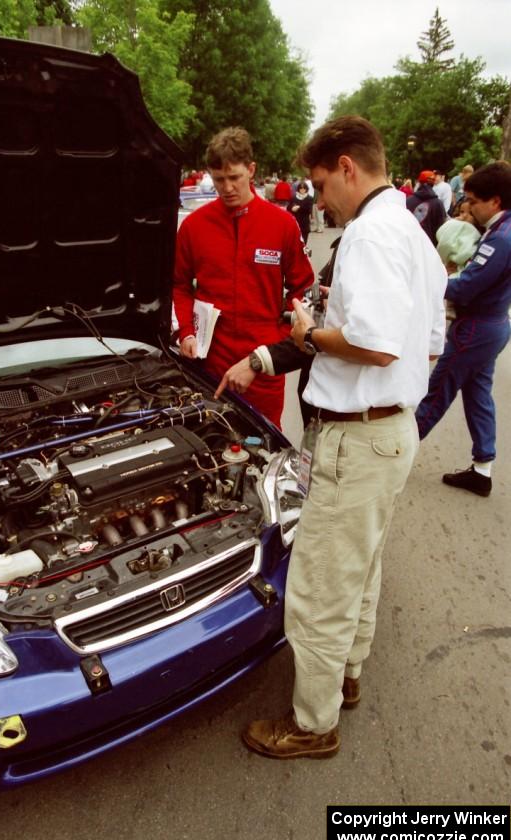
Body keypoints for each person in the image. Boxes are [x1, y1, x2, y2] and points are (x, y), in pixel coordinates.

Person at [217, 115, 446, 760]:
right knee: (361, 567)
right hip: (392, 434)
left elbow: (372, 343)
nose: (319, 201)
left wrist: (307, 338)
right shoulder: (413, 234)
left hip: (358, 436)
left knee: (318, 588)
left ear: (348, 166)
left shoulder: (371, 235)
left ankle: (311, 725)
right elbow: (428, 347)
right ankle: (346, 674)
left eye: (320, 185)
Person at [173, 126, 313, 428]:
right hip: (210, 360)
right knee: (210, 442)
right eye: (219, 179)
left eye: (234, 177)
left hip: (263, 362)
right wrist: (186, 331)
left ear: (251, 170)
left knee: (265, 446)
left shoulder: (283, 224)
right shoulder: (194, 227)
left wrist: (278, 345)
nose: (227, 188)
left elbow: (302, 289)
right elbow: (179, 285)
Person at [416, 161, 511, 497]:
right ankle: (482, 468)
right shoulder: (501, 232)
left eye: (473, 200)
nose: (468, 206)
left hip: (475, 329)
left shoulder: (500, 238)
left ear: (495, 201)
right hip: (493, 325)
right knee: (478, 396)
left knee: (436, 390)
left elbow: (465, 287)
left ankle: (395, 456)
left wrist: (428, 278)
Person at [406, 170, 447, 245]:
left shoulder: (408, 201)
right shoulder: (438, 204)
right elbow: (441, 229)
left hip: (410, 244)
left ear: (419, 182)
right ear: (433, 183)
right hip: (430, 247)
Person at [287, 180, 314, 247]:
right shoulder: (293, 197)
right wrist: (292, 208)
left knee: (303, 242)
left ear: (306, 189)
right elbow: (288, 207)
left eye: (304, 188)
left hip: (304, 222)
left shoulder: (309, 198)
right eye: (301, 188)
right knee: (294, 241)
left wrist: (299, 207)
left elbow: (309, 209)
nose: (302, 190)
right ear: (298, 189)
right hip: (295, 221)